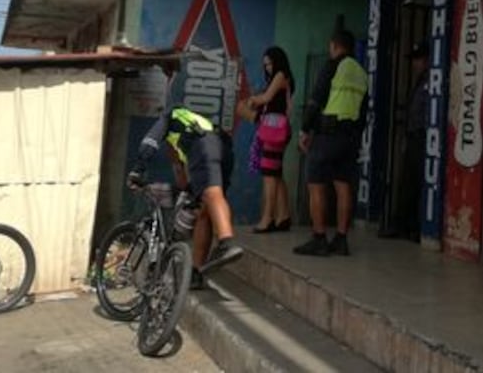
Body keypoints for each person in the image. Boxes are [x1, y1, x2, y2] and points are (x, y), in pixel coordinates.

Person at [127, 105, 244, 286]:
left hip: (206, 146)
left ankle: (226, 243)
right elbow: (182, 179)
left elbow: (149, 142)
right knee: (204, 211)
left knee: (212, 193)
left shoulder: (170, 116)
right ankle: (196, 273)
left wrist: (137, 171)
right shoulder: (185, 133)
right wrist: (189, 193)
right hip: (224, 149)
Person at [294, 29, 368, 257]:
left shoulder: (333, 65)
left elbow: (317, 99)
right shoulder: (361, 72)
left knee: (316, 184)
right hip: (351, 136)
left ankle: (319, 237)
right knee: (343, 185)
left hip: (328, 134)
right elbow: (365, 109)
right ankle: (341, 239)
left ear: (335, 46)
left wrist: (305, 130)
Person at [380, 42, 427, 241]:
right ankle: (402, 225)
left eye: (418, 59)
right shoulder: (420, 80)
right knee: (407, 184)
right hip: (413, 137)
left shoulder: (433, 79)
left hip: (424, 137)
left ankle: (416, 227)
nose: (415, 63)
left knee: (419, 184)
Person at [245, 46, 295, 233]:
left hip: (274, 130)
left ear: (277, 61)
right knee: (276, 174)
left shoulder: (281, 75)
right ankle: (283, 216)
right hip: (278, 129)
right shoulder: (281, 76)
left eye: (269, 63)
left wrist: (252, 100)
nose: (267, 68)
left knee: (269, 175)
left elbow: (266, 98)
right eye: (265, 65)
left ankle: (268, 218)